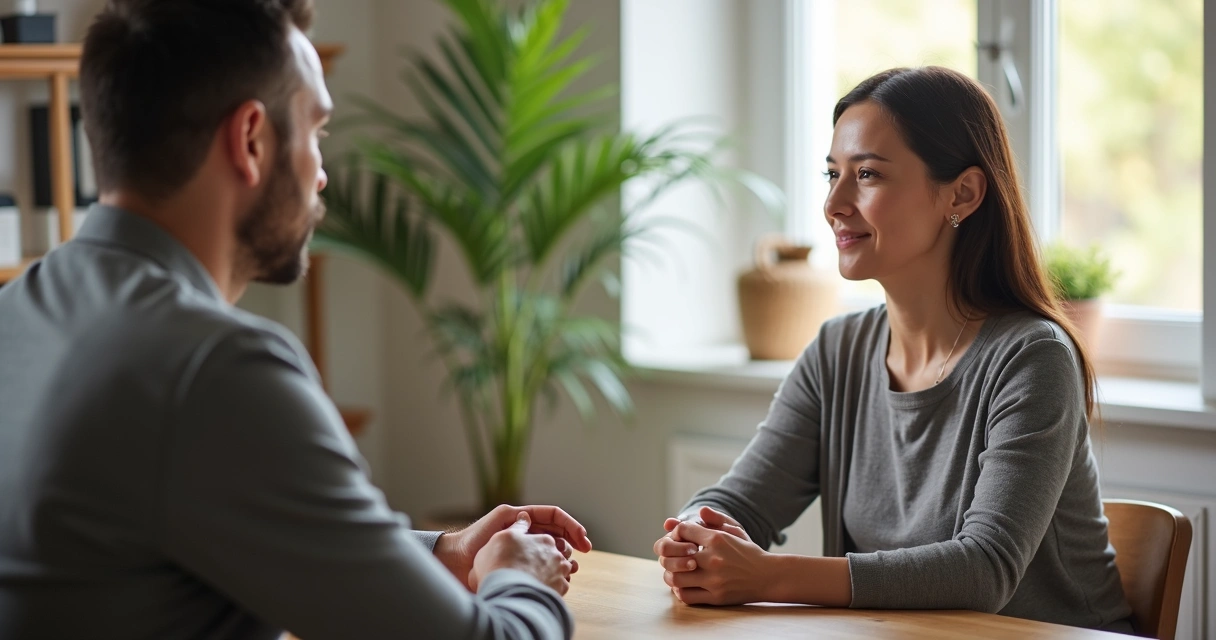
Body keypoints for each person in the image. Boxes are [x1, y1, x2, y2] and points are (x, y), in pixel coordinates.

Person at [0, 1, 589, 638]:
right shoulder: (216, 370)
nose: (323, 173)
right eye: (316, 132)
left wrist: (442, 554)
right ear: (251, 139)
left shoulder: (23, 311)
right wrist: (519, 576)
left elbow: (191, 533)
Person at [653, 66, 1134, 633]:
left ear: (963, 193)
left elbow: (984, 570)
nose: (834, 202)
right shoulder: (840, 349)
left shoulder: (1033, 358)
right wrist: (694, 535)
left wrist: (768, 576)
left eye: (869, 175)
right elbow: (742, 500)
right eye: (832, 174)